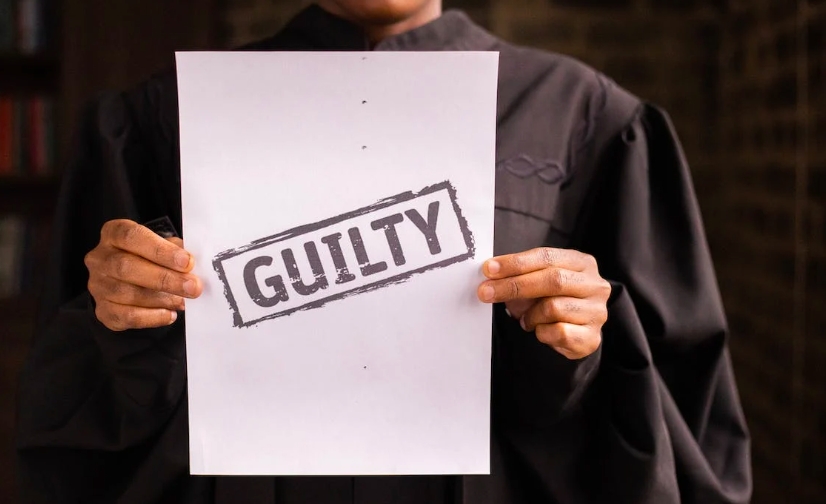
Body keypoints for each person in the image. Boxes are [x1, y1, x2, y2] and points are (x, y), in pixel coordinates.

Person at [15, 1, 752, 503]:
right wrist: (123, 317)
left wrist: (585, 340)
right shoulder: (158, 119)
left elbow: (673, 428)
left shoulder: (585, 120)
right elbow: (80, 420)